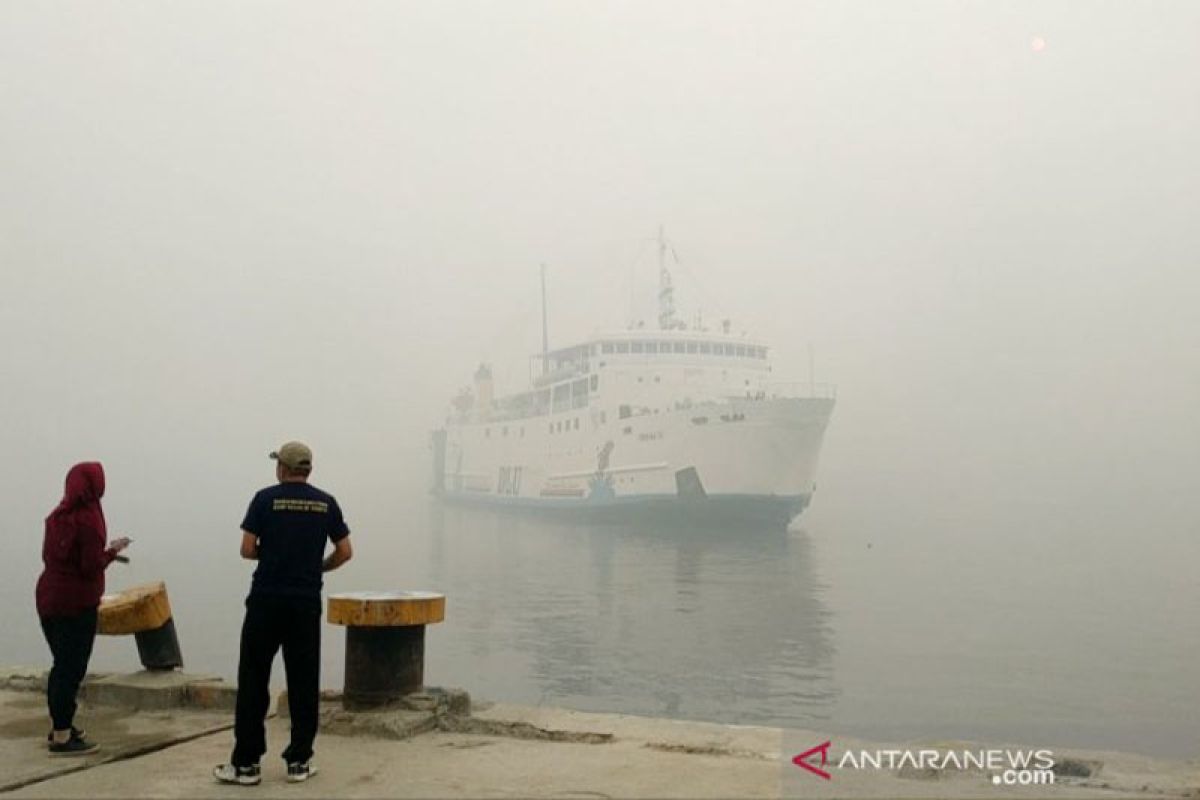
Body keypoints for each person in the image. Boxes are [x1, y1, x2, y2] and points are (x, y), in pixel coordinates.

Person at [214, 442, 352, 786]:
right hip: (305, 603)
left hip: (265, 601)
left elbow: (247, 550)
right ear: (308, 470)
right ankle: (299, 762)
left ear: (281, 469)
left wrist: (273, 553)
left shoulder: (264, 499)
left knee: (253, 679)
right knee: (304, 681)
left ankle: (246, 764)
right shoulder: (326, 503)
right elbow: (345, 551)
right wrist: (317, 565)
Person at [35, 462, 131, 756]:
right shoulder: (89, 519)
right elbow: (90, 567)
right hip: (76, 604)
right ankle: (63, 737)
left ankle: (60, 726)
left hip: (48, 600)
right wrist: (113, 551)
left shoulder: (56, 516)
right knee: (70, 669)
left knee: (60, 666)